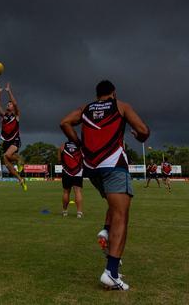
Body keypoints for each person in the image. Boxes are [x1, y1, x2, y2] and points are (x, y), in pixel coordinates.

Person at [60, 80, 149, 291]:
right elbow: (143, 130)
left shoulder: (86, 108)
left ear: (97, 94)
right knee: (122, 215)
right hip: (114, 164)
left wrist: (79, 144)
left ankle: (107, 231)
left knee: (114, 203)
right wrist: (141, 136)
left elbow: (64, 122)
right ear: (114, 93)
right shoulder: (121, 106)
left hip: (92, 169)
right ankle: (111, 272)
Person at [0, 82, 27, 191]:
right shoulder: (4, 116)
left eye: (10, 104)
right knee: (6, 162)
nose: (8, 104)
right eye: (8, 104)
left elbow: (16, 103)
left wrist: (9, 91)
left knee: (8, 155)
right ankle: (20, 180)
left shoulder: (16, 116)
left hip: (15, 140)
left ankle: (19, 158)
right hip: (6, 142)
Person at [59, 141, 84, 218]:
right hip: (78, 172)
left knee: (66, 192)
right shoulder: (80, 146)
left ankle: (65, 212)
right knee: (77, 191)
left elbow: (59, 160)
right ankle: (79, 213)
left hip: (66, 172)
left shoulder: (63, 145)